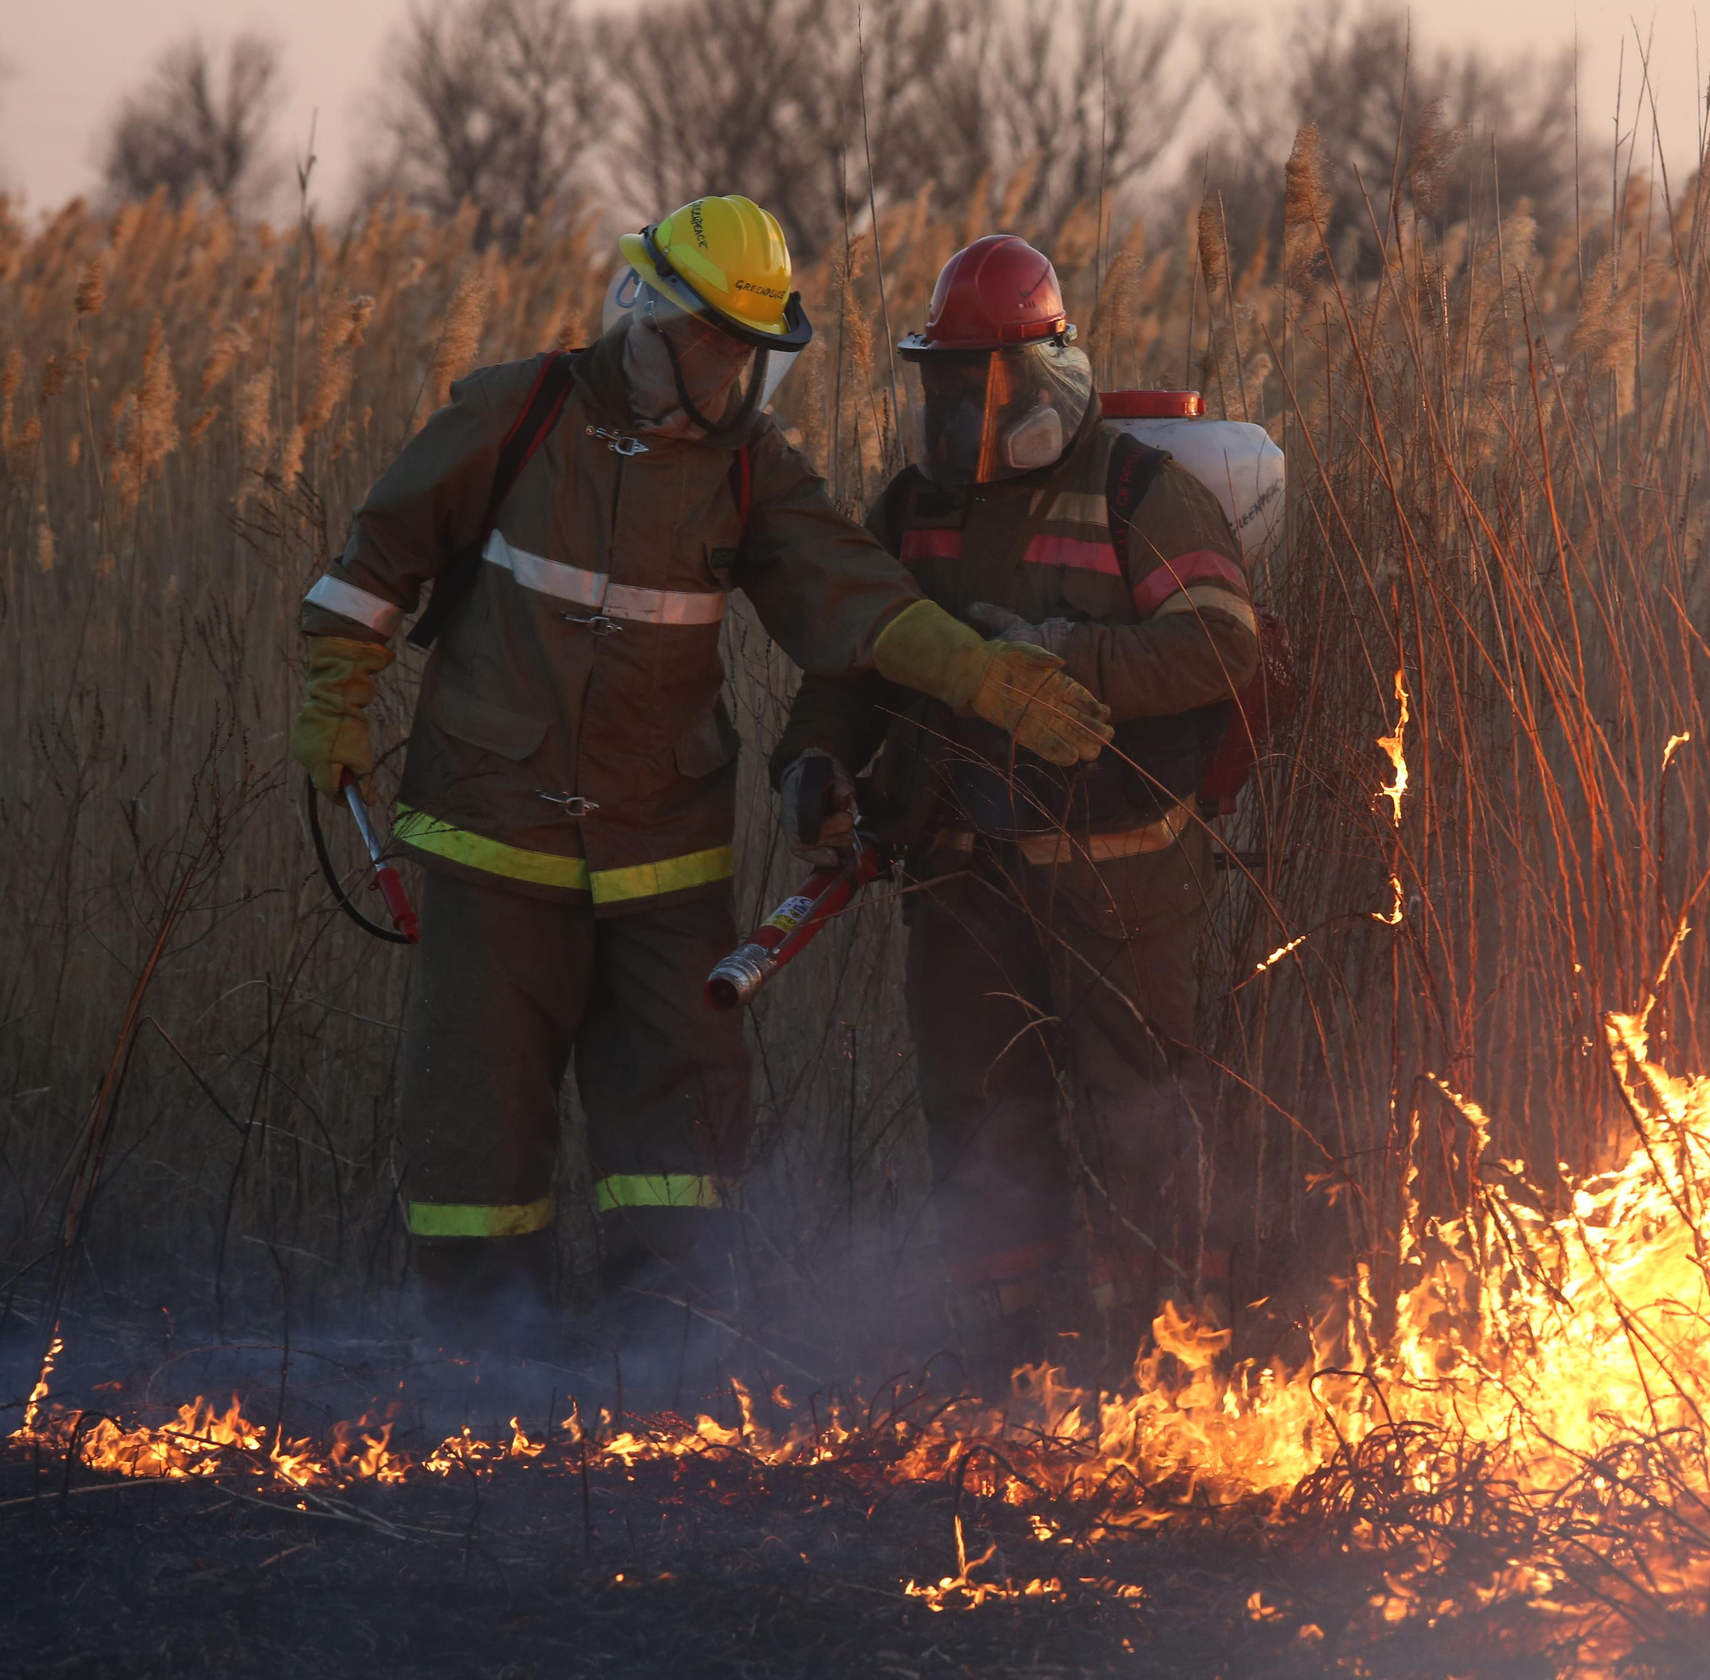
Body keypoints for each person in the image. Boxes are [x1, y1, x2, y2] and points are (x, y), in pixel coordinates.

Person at [290, 197, 1112, 1347]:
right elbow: (378, 557)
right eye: (714, 343)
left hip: (660, 855)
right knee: (476, 1115)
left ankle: (658, 1362)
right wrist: (336, 696)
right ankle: (480, 1365)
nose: (731, 372)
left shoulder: (750, 468)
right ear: (650, 316)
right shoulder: (516, 413)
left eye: (748, 353)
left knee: (678, 1129)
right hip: (491, 830)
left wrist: (978, 674)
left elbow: (851, 594)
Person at [768, 234, 1260, 1384]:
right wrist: (814, 765)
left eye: (976, 383)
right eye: (941, 384)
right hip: (957, 872)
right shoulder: (913, 508)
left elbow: (1220, 646)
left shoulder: (1136, 490)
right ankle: (1007, 1371)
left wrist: (1059, 656)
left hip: (1118, 873)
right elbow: (854, 662)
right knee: (980, 1119)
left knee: (1139, 1116)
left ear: (1043, 378)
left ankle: (1162, 1376)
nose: (957, 410)